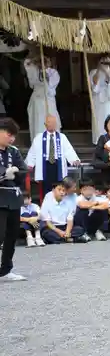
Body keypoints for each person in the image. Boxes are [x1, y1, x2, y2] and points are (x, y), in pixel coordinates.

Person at [0, 117, 29, 281]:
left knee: (12, 235)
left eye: (13, 136)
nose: (11, 138)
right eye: (9, 134)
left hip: (13, 196)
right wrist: (4, 174)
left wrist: (15, 172)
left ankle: (6, 269)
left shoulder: (13, 151)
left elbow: (23, 170)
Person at [25, 115, 81, 194]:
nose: (52, 124)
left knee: (60, 187)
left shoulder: (62, 137)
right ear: (45, 124)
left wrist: (74, 160)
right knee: (46, 188)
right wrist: (30, 164)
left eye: (54, 123)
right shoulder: (39, 137)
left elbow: (68, 150)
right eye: (49, 122)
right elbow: (33, 152)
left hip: (58, 165)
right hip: (45, 165)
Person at [39, 179, 90, 244]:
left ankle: (62, 239)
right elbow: (48, 222)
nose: (62, 192)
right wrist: (59, 232)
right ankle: (71, 239)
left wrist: (68, 231)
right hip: (53, 227)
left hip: (64, 226)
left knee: (80, 230)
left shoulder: (68, 202)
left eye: (63, 190)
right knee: (47, 233)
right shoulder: (47, 202)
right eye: (59, 190)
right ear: (53, 190)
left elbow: (70, 220)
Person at [24, 55, 61, 139]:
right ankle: (38, 140)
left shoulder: (53, 72)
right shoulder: (34, 70)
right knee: (38, 120)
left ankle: (52, 141)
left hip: (48, 99)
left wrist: (46, 76)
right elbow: (27, 63)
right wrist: (35, 59)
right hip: (37, 100)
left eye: (45, 61)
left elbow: (51, 85)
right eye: (41, 61)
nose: (43, 63)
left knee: (50, 119)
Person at [89, 55, 110, 144]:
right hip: (98, 100)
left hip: (108, 100)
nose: (105, 64)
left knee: (108, 117)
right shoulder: (93, 72)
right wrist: (99, 70)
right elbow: (94, 85)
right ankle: (98, 140)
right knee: (98, 119)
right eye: (103, 62)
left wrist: (107, 73)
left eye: (107, 63)